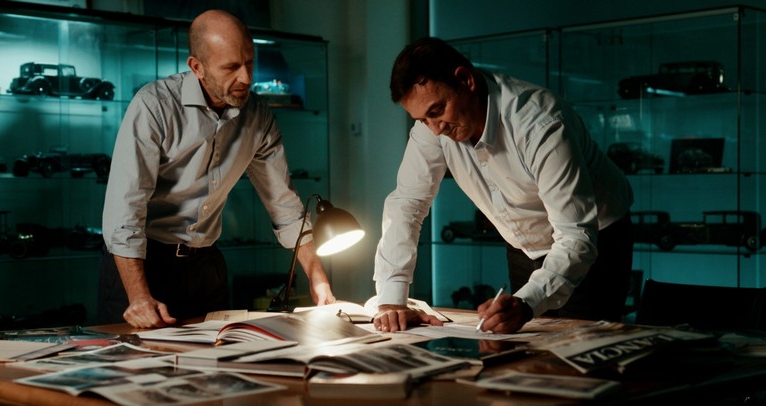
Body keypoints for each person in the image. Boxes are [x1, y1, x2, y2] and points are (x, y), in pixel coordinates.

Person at [372, 37, 634, 334]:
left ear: (465, 80)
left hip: (595, 237)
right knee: (524, 345)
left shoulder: (539, 123)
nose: (435, 129)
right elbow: (408, 203)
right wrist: (392, 300)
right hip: (524, 242)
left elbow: (576, 235)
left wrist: (527, 302)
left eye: (436, 111)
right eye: (422, 119)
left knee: (580, 343)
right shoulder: (432, 126)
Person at [99, 9, 336, 329]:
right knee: (139, 358)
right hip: (142, 265)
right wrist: (139, 296)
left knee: (219, 357)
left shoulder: (258, 115)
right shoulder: (154, 106)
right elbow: (125, 210)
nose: (246, 78)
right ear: (197, 67)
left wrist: (317, 277)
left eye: (249, 63)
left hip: (206, 265)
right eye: (231, 67)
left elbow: (284, 204)